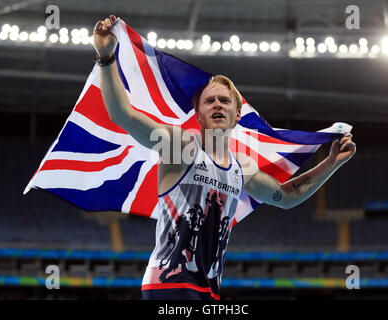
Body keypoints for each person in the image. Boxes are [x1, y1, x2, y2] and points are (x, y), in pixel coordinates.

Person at [93, 15, 356, 300]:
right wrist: (106, 58)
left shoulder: (242, 168)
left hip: (209, 290)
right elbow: (123, 114)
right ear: (198, 114)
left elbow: (288, 195)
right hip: (170, 284)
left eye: (225, 100)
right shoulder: (180, 147)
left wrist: (332, 162)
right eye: (209, 100)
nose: (217, 104)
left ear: (237, 115)